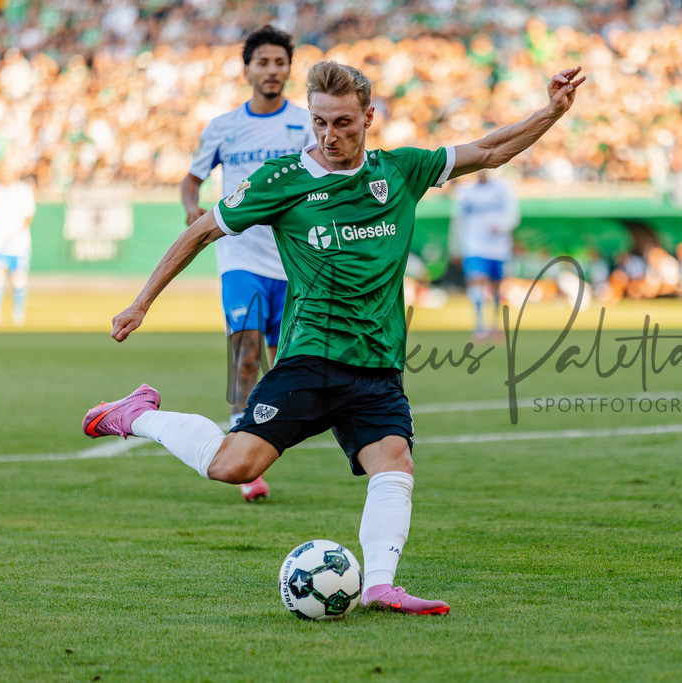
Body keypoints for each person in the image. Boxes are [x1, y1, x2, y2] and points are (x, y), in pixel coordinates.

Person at [83, 61, 585, 615]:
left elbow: (489, 150)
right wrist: (141, 302)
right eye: (319, 122)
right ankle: (137, 414)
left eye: (343, 122)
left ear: (368, 117)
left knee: (394, 462)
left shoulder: (401, 171)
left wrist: (551, 112)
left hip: (379, 366)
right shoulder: (282, 180)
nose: (329, 135)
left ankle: (380, 586)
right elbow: (202, 231)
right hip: (312, 360)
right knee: (234, 467)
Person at [180, 25, 312, 502]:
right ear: (247, 70)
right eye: (263, 62)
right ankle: (244, 458)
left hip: (294, 262)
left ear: (289, 69)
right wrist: (192, 209)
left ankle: (264, 439)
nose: (272, 70)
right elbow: (191, 181)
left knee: (287, 365)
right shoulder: (222, 127)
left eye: (280, 62)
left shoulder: (307, 124)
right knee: (246, 354)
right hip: (240, 257)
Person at [449, 169, 520, 341]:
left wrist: (501, 226)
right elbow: (457, 220)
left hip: (499, 247)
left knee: (496, 286)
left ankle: (494, 324)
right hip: (474, 246)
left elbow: (514, 215)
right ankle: (479, 325)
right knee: (476, 281)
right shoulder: (465, 191)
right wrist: (455, 247)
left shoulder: (503, 189)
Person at [0, 162, 36, 328]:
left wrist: (16, 233)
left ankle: (18, 313)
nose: (6, 174)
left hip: (18, 245)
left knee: (18, 280)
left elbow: (28, 216)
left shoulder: (24, 191)